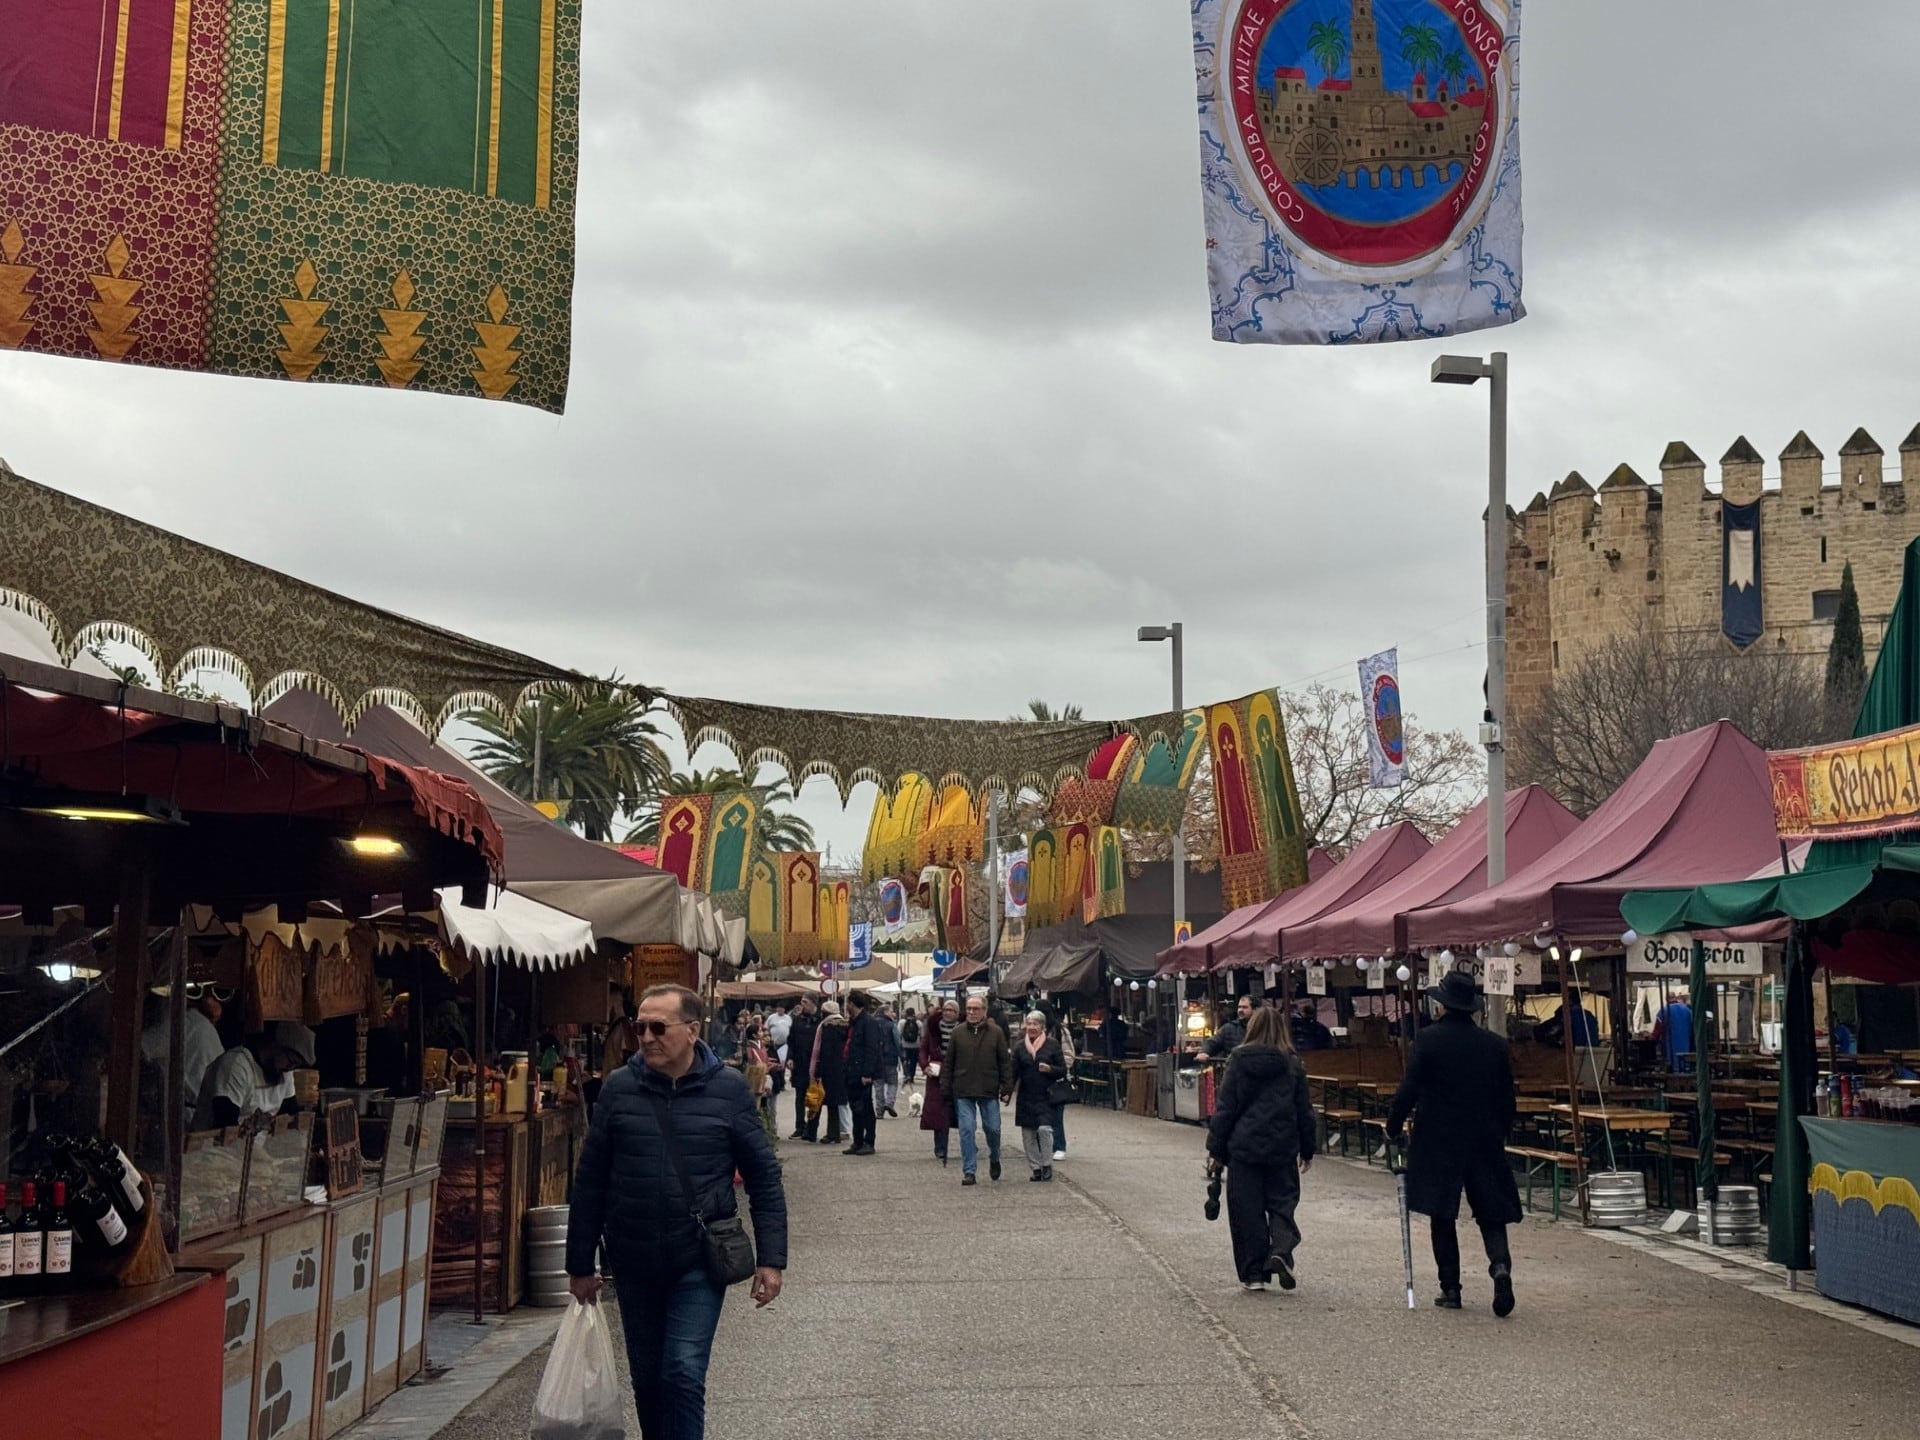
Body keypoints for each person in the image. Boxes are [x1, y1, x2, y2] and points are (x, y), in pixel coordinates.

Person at [565, 983, 786, 1440]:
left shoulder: (727, 1091)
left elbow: (763, 1177)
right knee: (648, 1380)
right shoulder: (619, 1089)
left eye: (658, 1027)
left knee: (682, 1372)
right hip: (634, 1258)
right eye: (640, 1026)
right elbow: (591, 1180)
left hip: (698, 1260)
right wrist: (579, 1263)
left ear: (691, 1030)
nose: (646, 1037)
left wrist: (771, 1259)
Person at [1386, 970, 1522, 1317]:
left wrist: (1393, 1125)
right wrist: (1502, 1129)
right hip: (1483, 1135)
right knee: (1490, 1209)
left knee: (1442, 1211)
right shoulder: (1494, 1045)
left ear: (1442, 1005)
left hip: (1439, 1137)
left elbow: (1409, 1088)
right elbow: (1507, 1097)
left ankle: (1451, 1287)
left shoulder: (1428, 1040)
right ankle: (1500, 1266)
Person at [1206, 1006, 1316, 1292]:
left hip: (1244, 1146)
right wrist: (1308, 1148)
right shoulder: (1292, 1063)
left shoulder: (1239, 1060)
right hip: (1282, 1145)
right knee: (1283, 1203)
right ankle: (1280, 1249)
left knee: (1247, 1210)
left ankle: (1253, 1273)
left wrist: (1215, 1149)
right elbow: (1304, 1109)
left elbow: (1226, 1107)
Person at [944, 993, 1012, 1186]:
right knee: (966, 1129)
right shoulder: (957, 1033)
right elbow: (949, 1062)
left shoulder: (996, 1032)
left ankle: (995, 1156)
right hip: (963, 1089)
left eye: (976, 1009)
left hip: (988, 1088)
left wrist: (1007, 1087)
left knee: (993, 1128)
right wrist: (946, 1088)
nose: (972, 1012)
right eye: (969, 1009)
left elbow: (1005, 1062)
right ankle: (969, 1170)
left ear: (984, 1011)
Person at [192, 1022, 313, 1130]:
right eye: (291, 1061)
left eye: (295, 1065)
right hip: (214, 1150)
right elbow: (225, 1125)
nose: (290, 1068)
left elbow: (291, 1114)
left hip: (253, 1150)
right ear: (275, 1046)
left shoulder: (283, 1071)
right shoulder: (236, 1066)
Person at [1011, 1011, 1066, 1181]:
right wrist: (1006, 1091)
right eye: (1029, 1023)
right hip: (1026, 1096)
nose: (1032, 1027)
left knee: (1044, 1129)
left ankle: (1047, 1164)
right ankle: (1035, 1167)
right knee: (1028, 1134)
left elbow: (1062, 1069)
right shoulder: (1020, 1046)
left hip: (1046, 1095)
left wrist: (1050, 1069)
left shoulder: (1052, 1045)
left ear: (1042, 1027)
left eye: (1035, 1024)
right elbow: (1013, 1071)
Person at [844, 991, 886, 1155]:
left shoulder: (869, 1023)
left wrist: (867, 1073)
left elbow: (872, 1049)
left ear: (853, 1004)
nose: (845, 1006)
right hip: (852, 1071)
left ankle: (869, 1141)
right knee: (855, 1107)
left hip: (863, 1073)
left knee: (865, 1107)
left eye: (847, 1003)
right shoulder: (853, 1022)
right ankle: (857, 1141)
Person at [920, 999, 958, 1165]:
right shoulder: (933, 1027)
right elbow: (923, 1048)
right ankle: (940, 1147)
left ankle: (968, 1144)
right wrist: (925, 1066)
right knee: (938, 1112)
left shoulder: (963, 1029)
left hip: (958, 1073)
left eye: (951, 1010)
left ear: (957, 1013)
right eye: (945, 1009)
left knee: (961, 1111)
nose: (947, 1012)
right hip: (937, 1074)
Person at [812, 1001, 852, 1145]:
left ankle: (832, 1133)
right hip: (844, 1068)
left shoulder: (827, 1028)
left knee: (831, 1103)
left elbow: (825, 1052)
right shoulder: (846, 1026)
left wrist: (819, 1070)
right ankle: (839, 1131)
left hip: (830, 1069)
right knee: (840, 1101)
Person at [787, 996, 820, 1141]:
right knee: (799, 1096)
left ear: (813, 1003)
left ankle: (811, 1129)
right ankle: (799, 1127)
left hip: (814, 1064)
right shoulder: (797, 1020)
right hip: (800, 1064)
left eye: (805, 1002)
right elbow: (791, 1040)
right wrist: (790, 1057)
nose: (802, 1005)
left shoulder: (820, 1020)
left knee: (814, 1096)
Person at [1046, 1009, 1076, 1160]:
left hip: (1057, 1079)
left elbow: (1069, 1055)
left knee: (1057, 1115)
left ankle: (1059, 1146)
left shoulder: (1060, 1031)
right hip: (1039, 1080)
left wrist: (1058, 1069)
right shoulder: (1034, 1030)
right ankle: (1045, 1146)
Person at [1650, 994, 1694, 1072]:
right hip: (1686, 1047)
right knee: (1684, 1066)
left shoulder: (1664, 1011)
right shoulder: (1687, 1010)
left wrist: (1651, 1038)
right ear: (1675, 998)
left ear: (1666, 999)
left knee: (1673, 1068)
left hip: (1670, 1049)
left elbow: (1657, 1031)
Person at [874, 1006, 902, 1118]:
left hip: (877, 1059)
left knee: (878, 1084)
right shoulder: (892, 1025)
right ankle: (889, 1103)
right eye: (891, 1011)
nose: (893, 1013)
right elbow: (897, 1041)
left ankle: (879, 1110)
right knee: (892, 1082)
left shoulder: (873, 1023)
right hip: (890, 1058)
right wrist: (901, 1055)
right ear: (885, 1012)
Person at [1533, 1000, 1599, 1048]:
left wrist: (1538, 1031)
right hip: (1592, 1050)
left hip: (1574, 1050)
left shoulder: (1568, 1014)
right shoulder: (1589, 1014)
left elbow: (1553, 1029)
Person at [898, 1008, 921, 1085]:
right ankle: (911, 1077)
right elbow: (922, 1034)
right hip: (915, 1045)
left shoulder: (902, 1022)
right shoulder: (918, 1023)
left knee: (904, 1060)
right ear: (914, 1013)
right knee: (913, 1062)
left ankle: (906, 1075)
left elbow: (899, 1033)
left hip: (904, 1045)